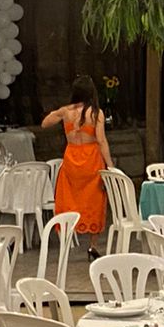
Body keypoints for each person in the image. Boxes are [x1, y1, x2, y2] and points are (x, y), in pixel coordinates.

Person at [43, 75, 111, 239]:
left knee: (70, 198)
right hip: (91, 159)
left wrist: (59, 111)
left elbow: (45, 123)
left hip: (72, 158)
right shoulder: (96, 113)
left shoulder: (66, 111)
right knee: (94, 200)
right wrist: (110, 164)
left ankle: (67, 236)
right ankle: (93, 244)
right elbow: (101, 140)